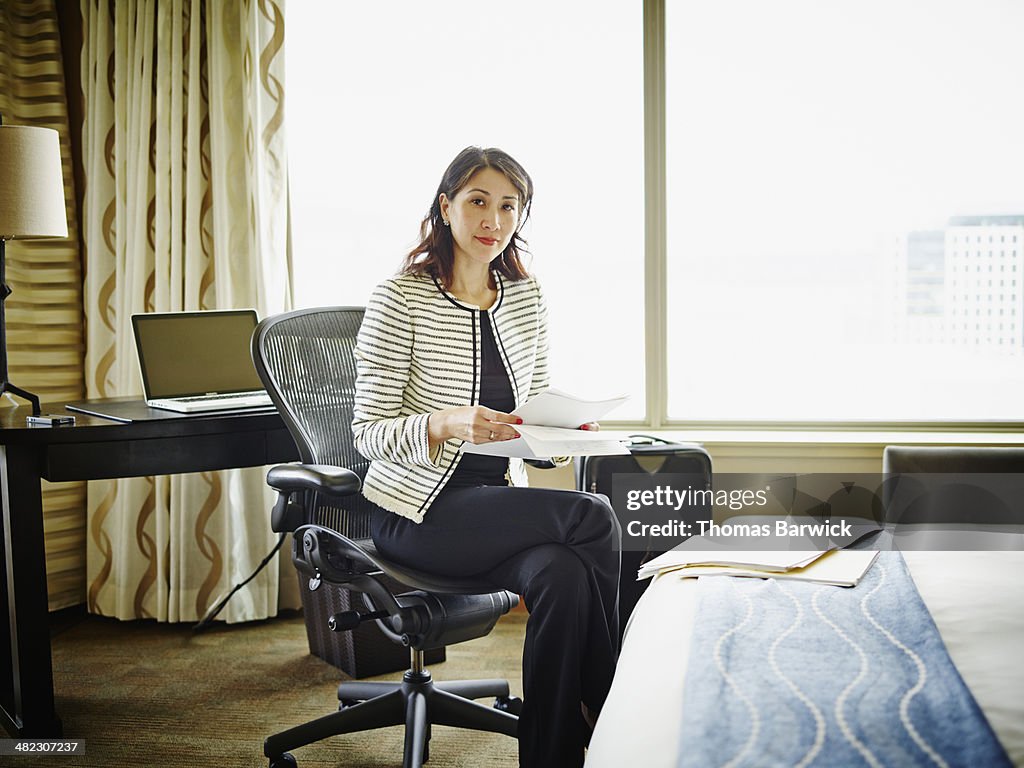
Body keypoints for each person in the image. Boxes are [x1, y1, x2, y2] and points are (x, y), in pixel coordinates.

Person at [351, 146, 621, 767]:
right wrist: (445, 423)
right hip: (416, 514)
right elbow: (366, 433)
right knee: (595, 515)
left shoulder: (525, 298)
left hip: (491, 506)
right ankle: (608, 699)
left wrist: (558, 437)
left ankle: (553, 752)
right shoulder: (400, 298)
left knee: (560, 570)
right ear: (446, 207)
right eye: (477, 201)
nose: (491, 220)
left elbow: (532, 407)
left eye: (508, 206)